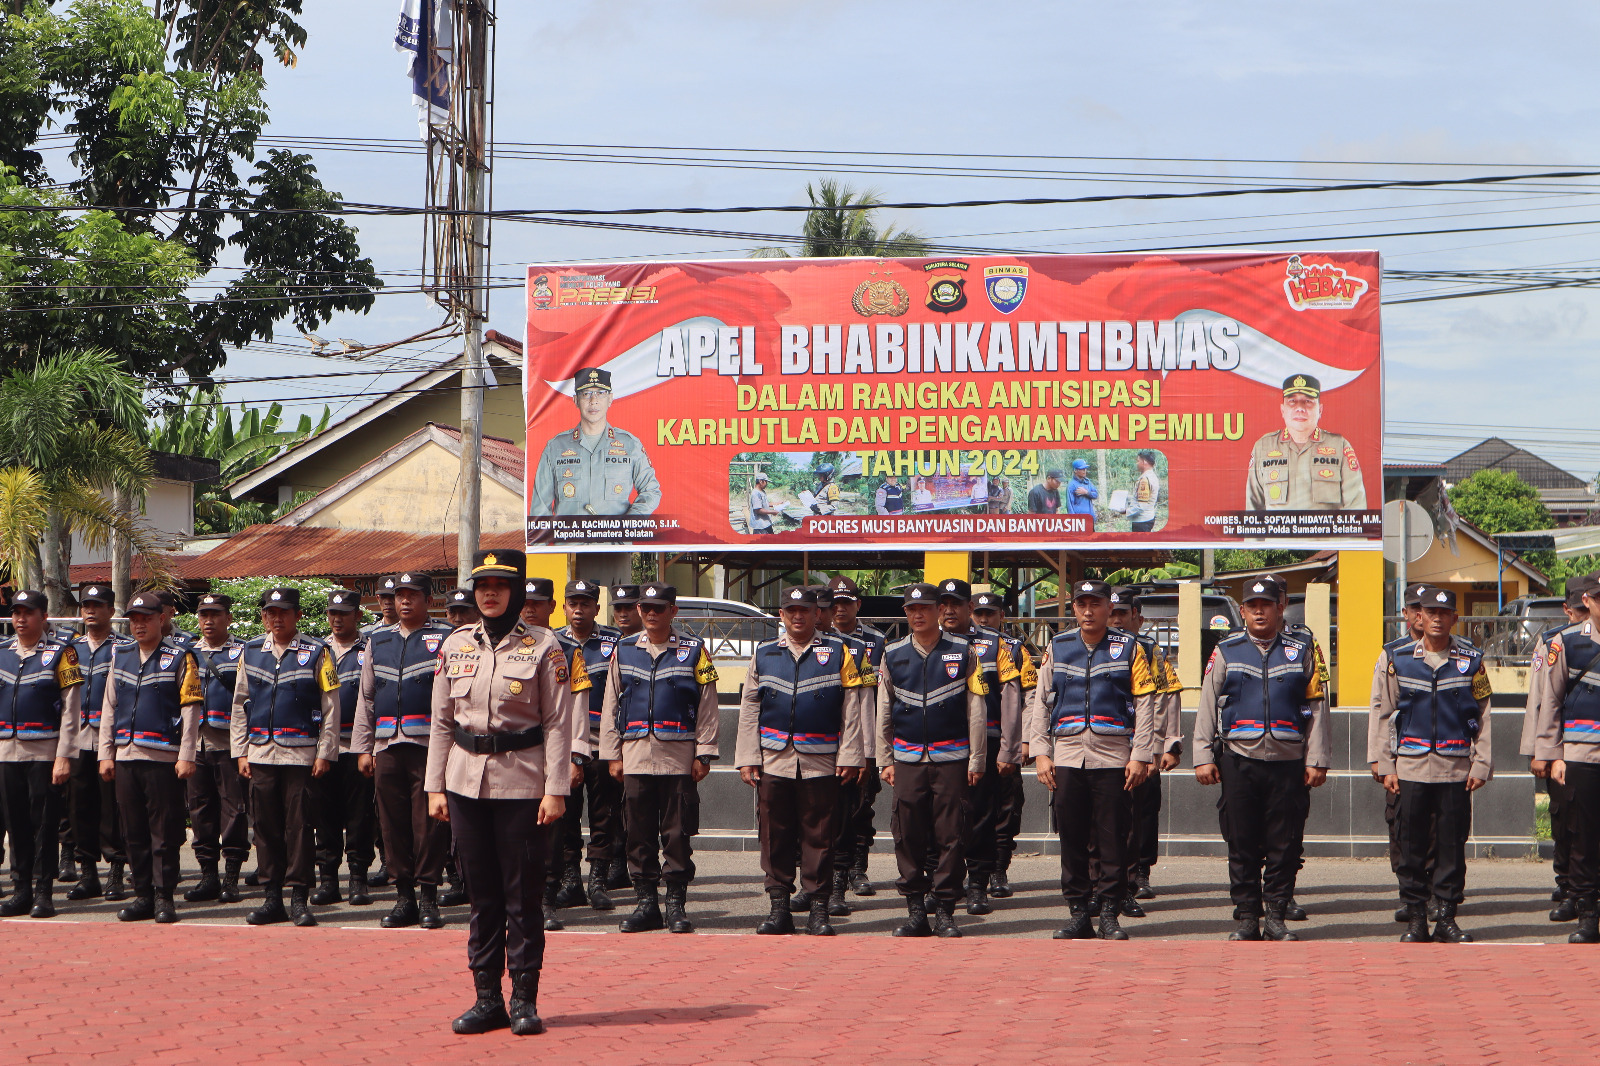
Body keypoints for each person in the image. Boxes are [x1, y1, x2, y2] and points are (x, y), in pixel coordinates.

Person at [427, 549, 574, 1037]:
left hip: (522, 784)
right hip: (464, 782)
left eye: (500, 585)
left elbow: (557, 724)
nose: (489, 593)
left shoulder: (545, 646)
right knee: (481, 895)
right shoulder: (455, 644)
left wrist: (555, 790)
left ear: (517, 592)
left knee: (522, 896)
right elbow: (441, 723)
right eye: (482, 585)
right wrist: (435, 787)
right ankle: (487, 998)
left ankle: (524, 1000)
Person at [1193, 577, 1330, 941]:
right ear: (1242, 611)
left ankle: (1276, 917)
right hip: (1239, 759)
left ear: (1279, 608)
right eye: (1252, 605)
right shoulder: (1226, 651)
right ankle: (1248, 918)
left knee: (1285, 843)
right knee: (1242, 841)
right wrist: (1202, 755)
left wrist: (1317, 758)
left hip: (1289, 762)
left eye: (1266, 605)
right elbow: (1207, 704)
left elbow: (1318, 707)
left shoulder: (1303, 650)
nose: (1259, 611)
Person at [1030, 580, 1158, 941]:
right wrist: (1040, 752)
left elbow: (1146, 703)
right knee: (1071, 837)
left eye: (1096, 604)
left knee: (1113, 838)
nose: (1088, 611)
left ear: (1107, 607)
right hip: (1069, 755)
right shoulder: (1058, 646)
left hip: (1114, 756)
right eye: (1081, 604)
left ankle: (1108, 913)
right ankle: (1078, 913)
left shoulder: (1129, 648)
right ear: (1073, 608)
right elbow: (1041, 702)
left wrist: (1140, 754)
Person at [738, 586, 869, 936]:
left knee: (820, 835)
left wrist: (852, 754)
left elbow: (852, 707)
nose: (798, 616)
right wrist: (748, 757)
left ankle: (818, 909)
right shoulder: (764, 654)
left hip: (822, 761)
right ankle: (779, 907)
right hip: (774, 760)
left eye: (804, 610)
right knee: (775, 835)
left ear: (817, 614)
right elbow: (750, 708)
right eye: (790, 610)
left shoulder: (840, 651)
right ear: (781, 615)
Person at [1369, 585, 1492, 944]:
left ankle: (1447, 919)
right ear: (1419, 617)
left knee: (1452, 847)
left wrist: (1482, 763)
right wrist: (1385, 764)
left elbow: (1483, 713)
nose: (1437, 619)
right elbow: (1383, 713)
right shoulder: (1399, 658)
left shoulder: (1471, 660)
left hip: (1455, 769)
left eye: (1444, 613)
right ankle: (1416, 919)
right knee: (1411, 846)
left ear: (1455, 618)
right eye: (1430, 613)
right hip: (1410, 768)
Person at [599, 583, 719, 933]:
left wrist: (705, 753)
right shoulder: (623, 650)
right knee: (638, 833)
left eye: (659, 608)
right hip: (635, 756)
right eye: (646, 608)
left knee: (678, 832)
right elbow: (611, 703)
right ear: (639, 611)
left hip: (678, 757)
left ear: (673, 611)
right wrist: (612, 754)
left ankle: (676, 905)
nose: (651, 614)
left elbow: (708, 704)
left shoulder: (695, 651)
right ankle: (646, 903)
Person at [878, 583, 986, 938]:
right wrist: (885, 759)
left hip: (951, 758)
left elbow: (976, 708)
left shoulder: (964, 651)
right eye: (911, 609)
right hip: (907, 758)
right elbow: (884, 711)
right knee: (907, 835)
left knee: (951, 835)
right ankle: (915, 913)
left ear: (939, 610)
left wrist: (977, 759)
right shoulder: (892, 653)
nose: (917, 614)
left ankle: (945, 912)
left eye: (924, 608)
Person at [231, 586, 342, 927]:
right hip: (261, 753)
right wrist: (240, 752)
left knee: (299, 828)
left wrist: (325, 752)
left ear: (298, 615)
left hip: (300, 757)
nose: (276, 618)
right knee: (265, 829)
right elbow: (239, 705)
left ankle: (298, 899)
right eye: (270, 612)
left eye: (284, 612)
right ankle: (271, 898)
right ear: (263, 616)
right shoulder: (249, 652)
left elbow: (331, 708)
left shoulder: (318, 652)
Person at [352, 571, 455, 930]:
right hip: (387, 745)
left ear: (429, 600)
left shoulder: (445, 637)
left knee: (428, 823)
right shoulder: (377, 641)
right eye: (399, 596)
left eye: (413, 595)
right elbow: (366, 697)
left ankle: (428, 897)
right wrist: (363, 747)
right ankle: (404, 898)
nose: (405, 602)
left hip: (428, 745)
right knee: (392, 824)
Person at [97, 592, 203, 924]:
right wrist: (106, 753)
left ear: (162, 619)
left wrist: (187, 754)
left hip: (164, 758)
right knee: (133, 830)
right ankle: (142, 894)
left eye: (146, 618)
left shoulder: (181, 657)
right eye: (134, 619)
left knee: (164, 829)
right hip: (126, 756)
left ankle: (163, 896)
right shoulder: (122, 655)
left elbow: (191, 710)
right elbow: (109, 708)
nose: (139, 625)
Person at [934, 579, 1022, 917]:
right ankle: (946, 884)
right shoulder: (930, 642)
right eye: (943, 604)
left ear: (969, 608)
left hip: (986, 742)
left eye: (956, 603)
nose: (949, 610)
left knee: (982, 816)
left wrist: (1009, 750)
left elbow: (1012, 700)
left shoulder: (996, 645)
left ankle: (977, 885)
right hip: (941, 745)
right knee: (944, 819)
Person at [0, 589, 83, 918]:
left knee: (45, 823)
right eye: (16, 612)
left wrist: (64, 755)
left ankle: (44, 892)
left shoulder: (63, 652)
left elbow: (71, 709)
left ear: (44, 617)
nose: (20, 618)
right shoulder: (2, 652)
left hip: (45, 752)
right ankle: (21, 889)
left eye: (28, 612)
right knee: (14, 822)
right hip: (7, 751)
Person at [1532, 579, 1600, 943]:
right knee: (1583, 838)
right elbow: (1551, 702)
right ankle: (1588, 915)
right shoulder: (1567, 643)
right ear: (1588, 601)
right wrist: (1550, 754)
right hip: (1580, 756)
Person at [1107, 587, 1182, 910]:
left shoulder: (1151, 651)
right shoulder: (1093, 648)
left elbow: (1166, 698)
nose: (1116, 619)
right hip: (1109, 744)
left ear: (1136, 617)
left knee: (1143, 814)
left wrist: (1166, 745)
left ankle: (1140, 872)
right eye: (1111, 613)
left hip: (1145, 747)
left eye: (1121, 613)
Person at [555, 579, 625, 911]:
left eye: (586, 604)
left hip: (603, 742)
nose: (578, 610)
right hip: (565, 743)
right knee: (565, 815)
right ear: (564, 607)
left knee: (603, 814)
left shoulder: (616, 642)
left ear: (597, 608)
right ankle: (570, 881)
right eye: (573, 603)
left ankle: (597, 881)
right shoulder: (552, 642)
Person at [64, 583, 129, 903]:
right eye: (85, 605)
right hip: (77, 737)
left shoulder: (125, 648)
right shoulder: (70, 649)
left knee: (113, 806)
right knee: (80, 806)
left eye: (97, 605)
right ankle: (87, 872)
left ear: (111, 611)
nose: (90, 610)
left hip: (110, 739)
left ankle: (116, 870)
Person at [185, 593, 251, 905]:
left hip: (229, 744)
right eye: (203, 615)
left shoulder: (243, 652)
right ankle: (208, 874)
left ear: (228, 617)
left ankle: (232, 877)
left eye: (215, 614)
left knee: (234, 810)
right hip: (195, 742)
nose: (208, 621)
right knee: (200, 810)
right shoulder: (187, 653)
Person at [312, 590, 375, 906]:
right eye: (332, 614)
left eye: (344, 613)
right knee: (325, 817)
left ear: (358, 616)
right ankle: (328, 881)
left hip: (357, 746)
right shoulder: (318, 651)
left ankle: (358, 880)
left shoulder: (369, 649)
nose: (337, 619)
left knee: (360, 817)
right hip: (325, 749)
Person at [530, 367, 662, 517]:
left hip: (613, 540)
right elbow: (540, 509)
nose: (594, 401)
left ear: (610, 399)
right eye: (586, 394)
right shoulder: (555, 447)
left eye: (600, 393)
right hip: (571, 539)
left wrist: (628, 524)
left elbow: (651, 491)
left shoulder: (630, 445)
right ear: (576, 400)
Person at [972, 591, 1036, 898]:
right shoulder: (956, 647)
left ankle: (998, 869)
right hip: (964, 743)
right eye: (979, 613)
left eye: (990, 614)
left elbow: (1030, 697)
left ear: (1002, 616)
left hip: (1002, 741)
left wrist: (1024, 739)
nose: (984, 619)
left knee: (1006, 809)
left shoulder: (1013, 650)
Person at [828, 575, 886, 897]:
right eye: (835, 604)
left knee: (862, 807)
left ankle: (857, 869)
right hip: (828, 739)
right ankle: (831, 871)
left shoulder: (875, 641)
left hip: (866, 736)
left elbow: (878, 694)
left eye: (846, 603)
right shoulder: (820, 637)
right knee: (833, 811)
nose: (840, 609)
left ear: (857, 605)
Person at [1382, 582, 1433, 922]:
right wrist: (1384, 760)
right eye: (1415, 607)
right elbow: (1381, 709)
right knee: (1402, 825)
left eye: (1425, 608)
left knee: (1440, 829)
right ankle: (1410, 893)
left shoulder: (1461, 653)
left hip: (1446, 758)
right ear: (1405, 614)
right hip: (1405, 758)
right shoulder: (1392, 654)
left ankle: (1437, 893)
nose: (1420, 614)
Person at [1246, 374, 1367, 511]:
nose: (1300, 408)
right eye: (1292, 401)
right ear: (1282, 410)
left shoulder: (1339, 446)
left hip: (1327, 532)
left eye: (1308, 401)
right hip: (1279, 532)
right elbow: (1253, 512)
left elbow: (1356, 507)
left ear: (1320, 410)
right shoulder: (1263, 447)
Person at [1128, 450, 1160, 532]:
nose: (1137, 464)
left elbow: (1141, 506)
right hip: (1147, 518)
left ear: (1144, 462)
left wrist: (1126, 511)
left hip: (1141, 522)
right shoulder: (1152, 476)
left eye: (1138, 461)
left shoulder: (1144, 480)